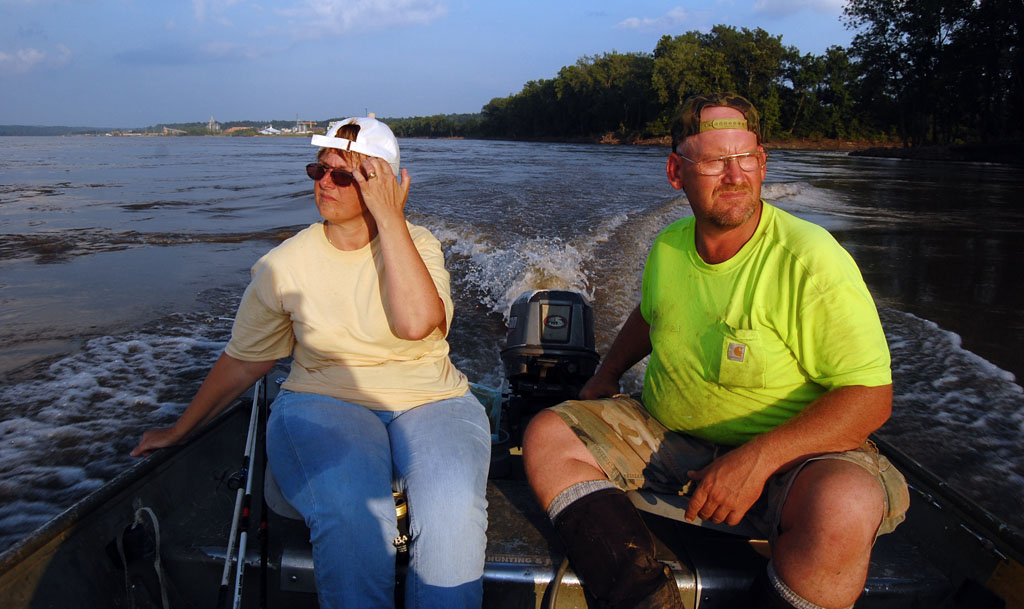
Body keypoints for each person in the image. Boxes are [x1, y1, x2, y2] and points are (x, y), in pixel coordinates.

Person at [522, 93, 909, 609]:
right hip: (671, 439)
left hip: (791, 456)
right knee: (547, 435)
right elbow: (651, 312)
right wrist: (606, 374)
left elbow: (869, 398)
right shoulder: (670, 247)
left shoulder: (810, 259)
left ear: (762, 162)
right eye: (712, 160)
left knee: (846, 505)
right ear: (676, 172)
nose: (734, 175)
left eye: (745, 157)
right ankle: (644, 599)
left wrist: (756, 460)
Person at [132, 117, 491, 609]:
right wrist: (180, 430)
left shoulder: (417, 245)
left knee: (452, 510)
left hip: (433, 399)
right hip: (324, 401)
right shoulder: (284, 265)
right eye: (317, 170)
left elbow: (416, 324)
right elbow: (243, 361)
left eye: (343, 175)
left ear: (381, 182)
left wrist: (391, 221)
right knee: (352, 512)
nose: (324, 183)